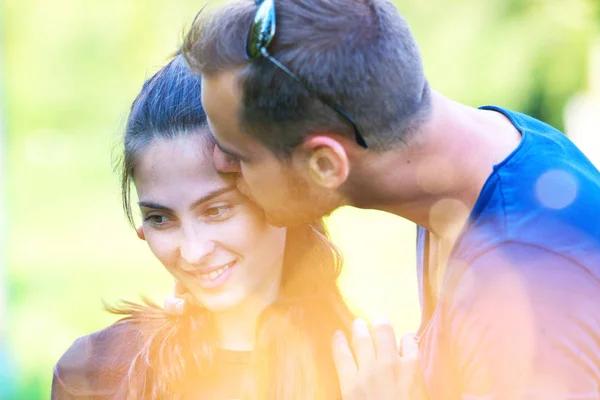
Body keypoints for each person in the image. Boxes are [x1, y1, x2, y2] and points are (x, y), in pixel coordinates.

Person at [178, 0, 600, 398]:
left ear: (325, 164)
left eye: (237, 153)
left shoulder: (525, 284)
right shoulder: (480, 153)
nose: (219, 162)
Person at [51, 54, 360, 400]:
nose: (193, 252)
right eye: (161, 218)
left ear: (282, 199)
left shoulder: (361, 376)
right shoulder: (98, 374)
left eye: (216, 210)